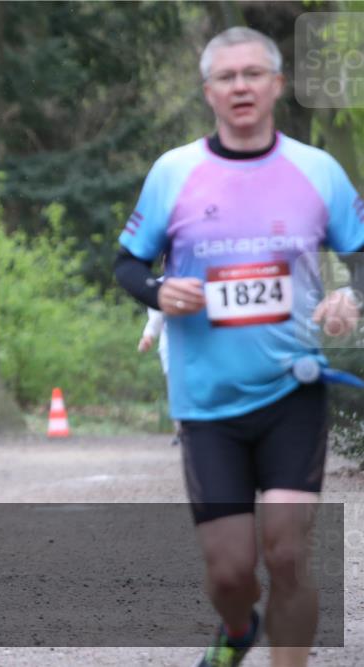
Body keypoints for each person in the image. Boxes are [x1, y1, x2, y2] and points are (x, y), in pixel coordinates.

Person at [113, 27, 364, 667]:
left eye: (254, 73)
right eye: (227, 77)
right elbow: (126, 266)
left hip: (292, 388)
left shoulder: (317, 170)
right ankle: (236, 629)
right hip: (206, 403)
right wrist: (160, 291)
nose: (242, 85)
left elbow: (360, 255)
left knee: (287, 551)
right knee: (230, 574)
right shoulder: (175, 172)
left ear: (277, 85)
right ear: (209, 93)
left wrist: (350, 299)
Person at [137, 277, 182, 445]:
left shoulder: (198, 274)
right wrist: (148, 337)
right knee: (176, 384)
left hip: (202, 344)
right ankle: (180, 429)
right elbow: (156, 319)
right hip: (171, 343)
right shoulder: (160, 285)